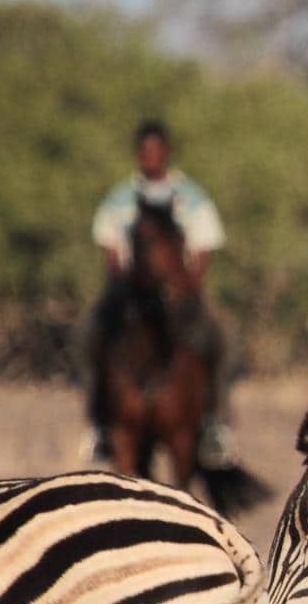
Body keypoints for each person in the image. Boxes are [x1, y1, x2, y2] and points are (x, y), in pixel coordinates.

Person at [84, 119, 232, 464]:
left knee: (220, 337)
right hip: (131, 294)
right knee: (88, 334)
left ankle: (215, 423)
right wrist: (128, 285)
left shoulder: (191, 198)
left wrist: (184, 288)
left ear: (167, 153)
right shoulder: (119, 199)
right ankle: (100, 424)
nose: (151, 156)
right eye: (144, 150)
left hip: (182, 294)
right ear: (138, 154)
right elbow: (111, 251)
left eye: (156, 150)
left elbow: (203, 251)